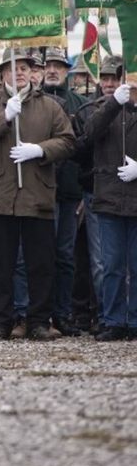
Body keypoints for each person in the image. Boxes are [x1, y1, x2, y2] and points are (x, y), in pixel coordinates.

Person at [0, 49, 75, 341]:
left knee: (40, 264)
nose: (19, 73)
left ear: (32, 73)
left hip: (36, 193)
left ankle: (39, 320)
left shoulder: (50, 106)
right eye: (12, 69)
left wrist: (40, 150)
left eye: (24, 68)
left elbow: (67, 141)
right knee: (0, 265)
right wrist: (4, 116)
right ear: (2, 74)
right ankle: (0, 321)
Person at [84, 77, 137, 340]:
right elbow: (90, 133)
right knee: (112, 264)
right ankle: (113, 319)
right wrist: (115, 103)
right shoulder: (104, 106)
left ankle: (135, 319)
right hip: (110, 197)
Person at [42, 47, 87, 336]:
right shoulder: (35, 101)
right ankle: (39, 315)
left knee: (65, 255)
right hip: (41, 188)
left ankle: (62, 312)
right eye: (49, 65)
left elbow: (86, 149)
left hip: (70, 191)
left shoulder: (80, 105)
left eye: (59, 65)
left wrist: (84, 190)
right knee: (38, 255)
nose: (53, 70)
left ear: (67, 70)